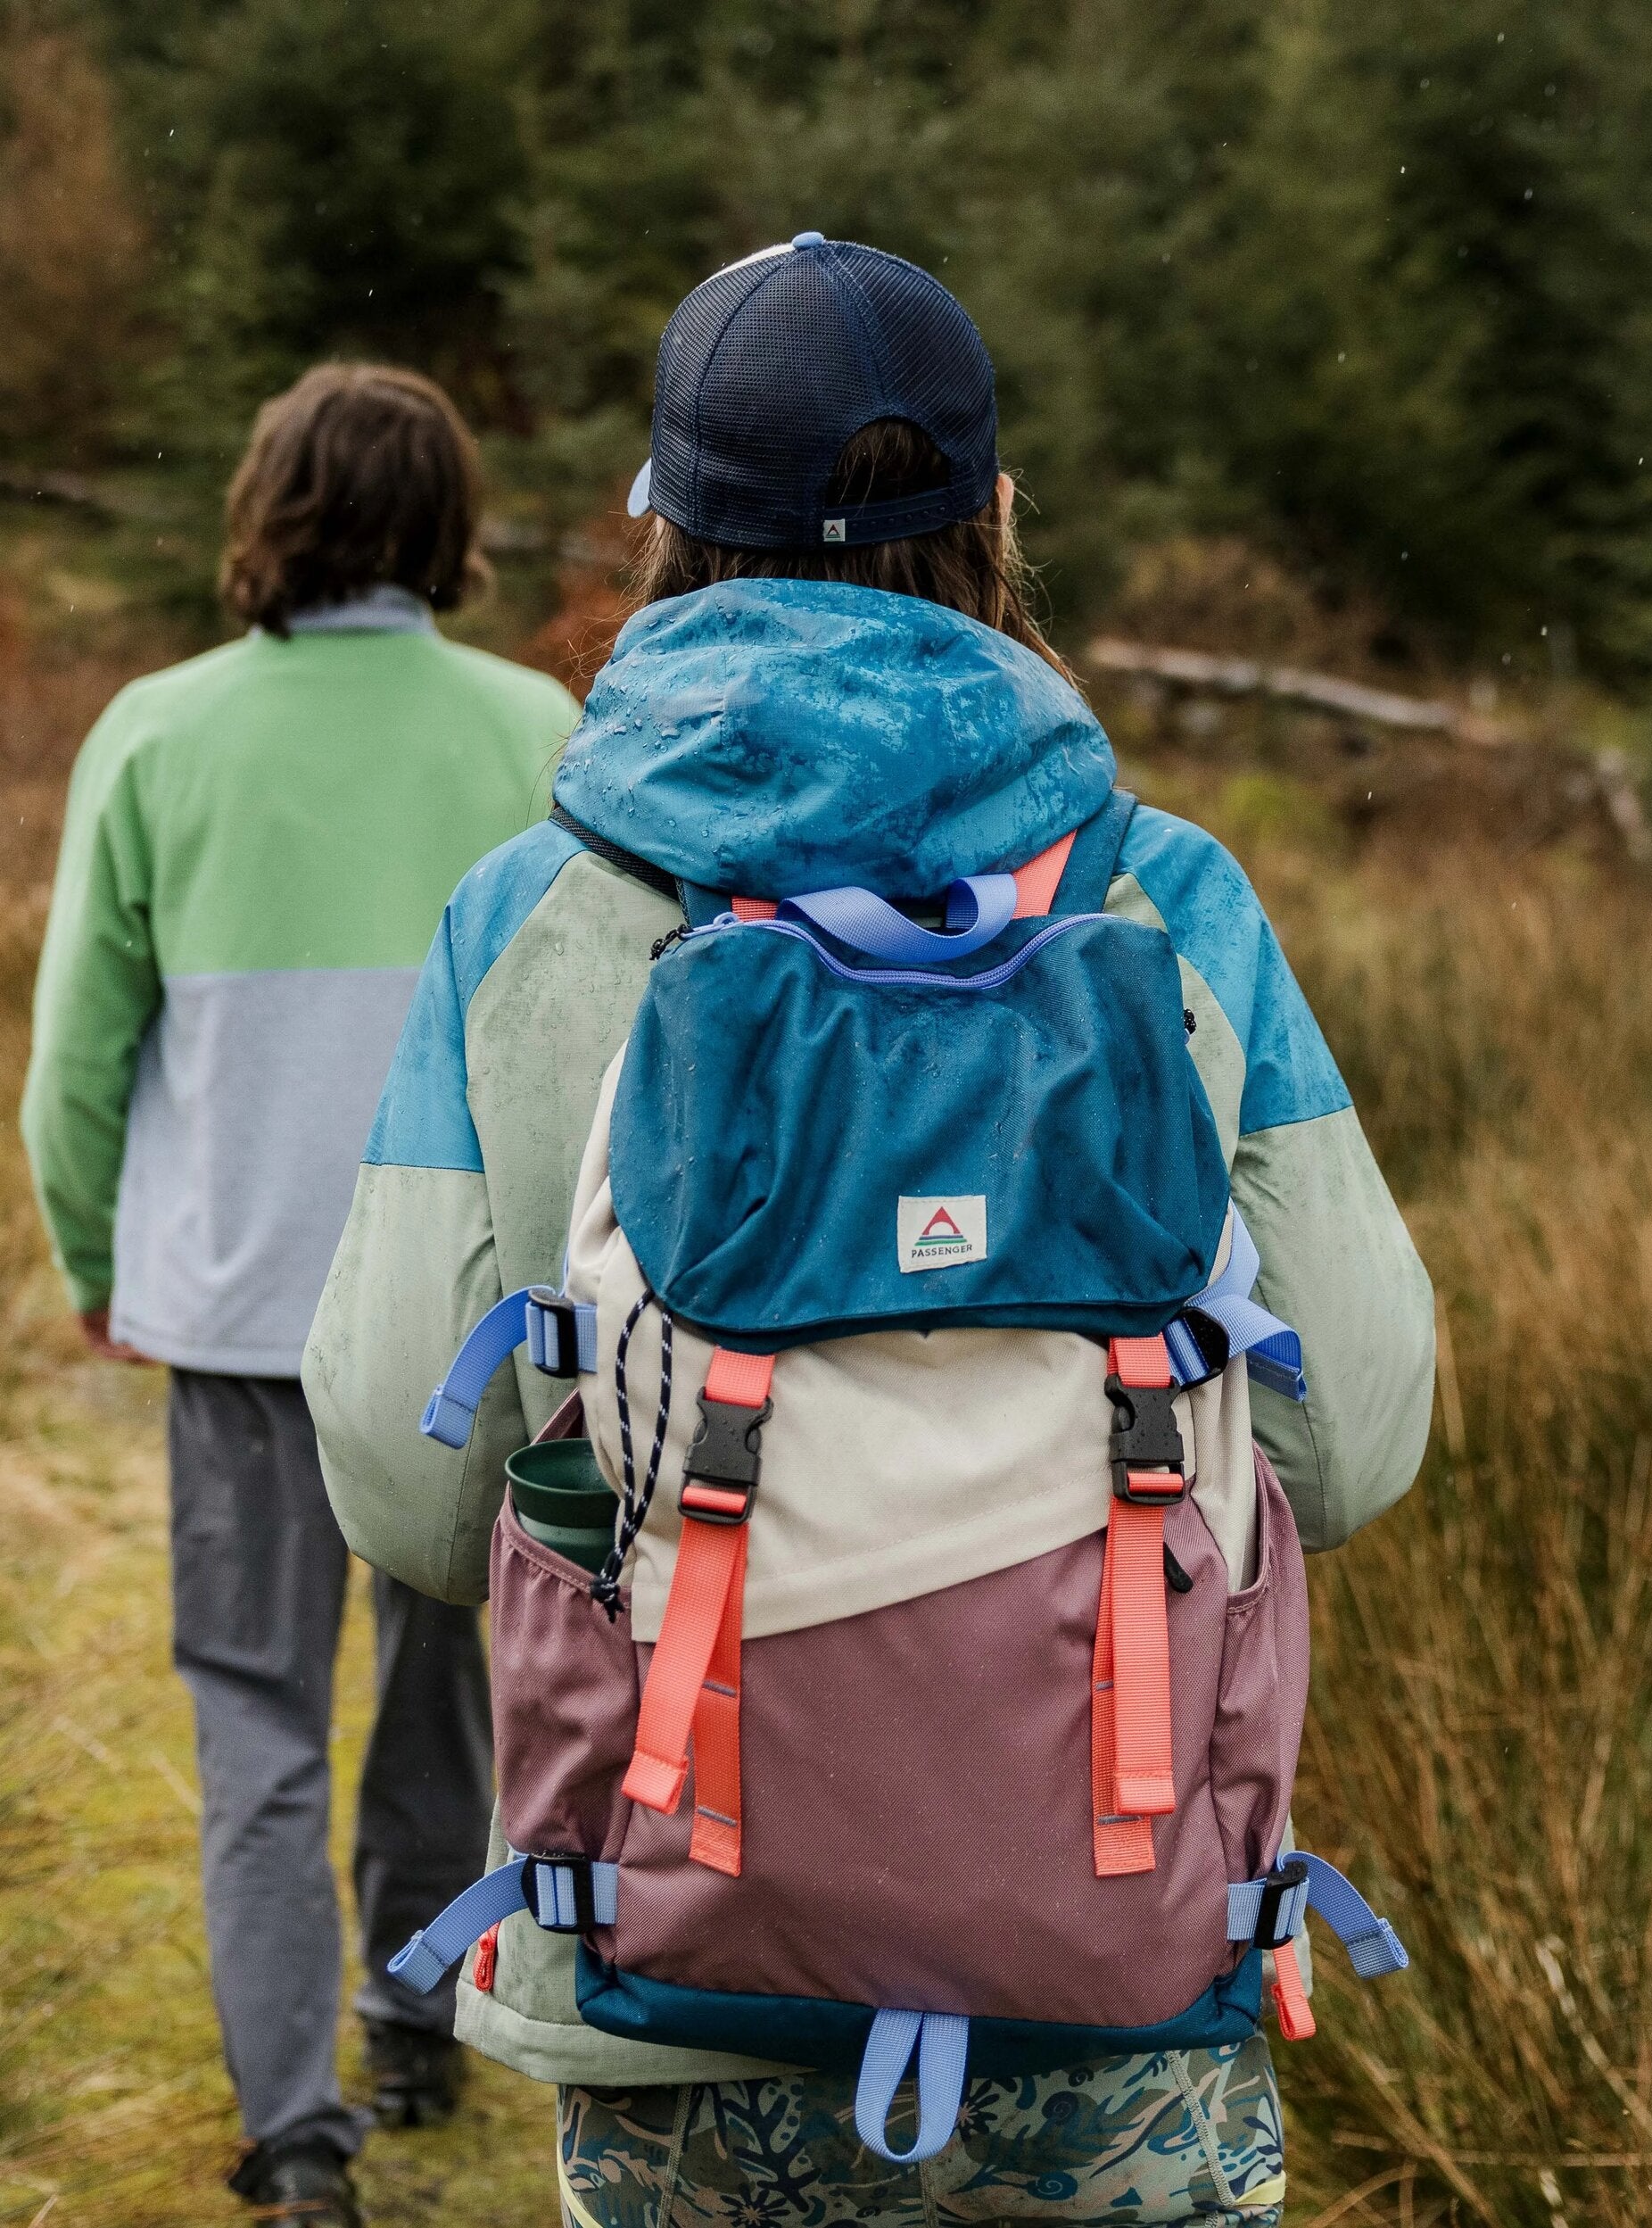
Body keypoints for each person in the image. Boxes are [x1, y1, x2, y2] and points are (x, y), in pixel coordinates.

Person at [305, 241, 1434, 2228]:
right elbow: (1354, 1440)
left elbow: (407, 1492)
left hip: (673, 1957)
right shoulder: (1167, 898)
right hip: (1116, 1962)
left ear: (660, 529)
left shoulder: (525, 915)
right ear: (999, 517)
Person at [22, 364, 582, 2228]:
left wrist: (103, 1266)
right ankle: (416, 2011)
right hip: (468, 1320)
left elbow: (74, 1067)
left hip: (245, 1317)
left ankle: (294, 2136)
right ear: (448, 527)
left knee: (256, 1721)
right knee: (450, 1681)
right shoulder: (535, 732)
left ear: (265, 513)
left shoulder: (157, 734)